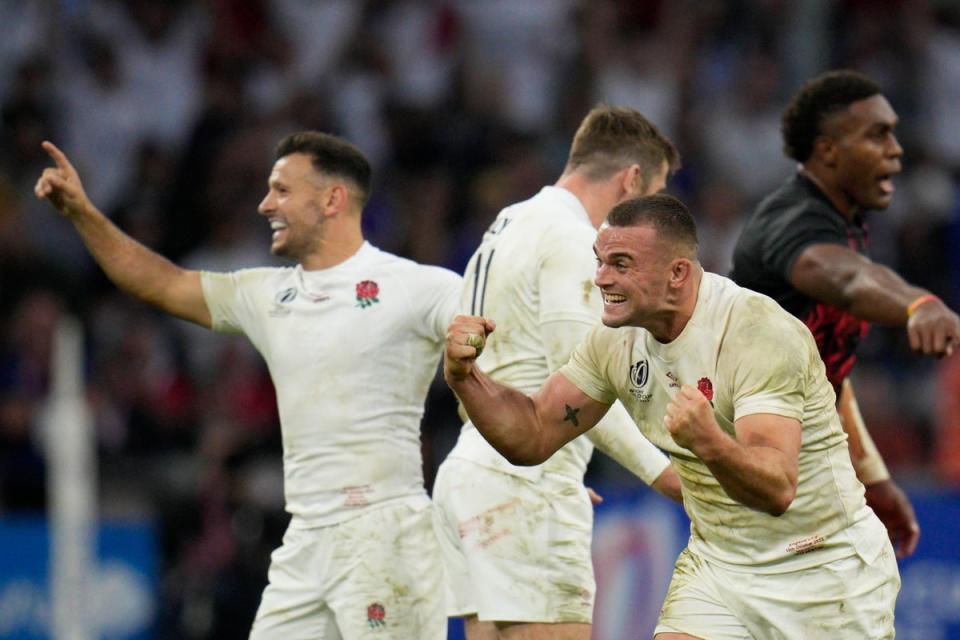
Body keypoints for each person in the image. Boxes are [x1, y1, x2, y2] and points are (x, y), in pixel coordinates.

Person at [34, 132, 460, 639]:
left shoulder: (421, 288)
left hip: (386, 534)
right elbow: (161, 283)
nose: (265, 205)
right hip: (304, 544)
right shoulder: (268, 294)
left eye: (281, 190)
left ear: (332, 199)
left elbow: (516, 359)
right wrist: (83, 213)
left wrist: (553, 470)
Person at [444, 193, 900, 639]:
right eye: (599, 261)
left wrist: (710, 443)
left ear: (677, 273)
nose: (600, 279)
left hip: (823, 569)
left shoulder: (758, 331)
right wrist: (466, 377)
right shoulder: (612, 340)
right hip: (720, 571)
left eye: (620, 264)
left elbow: (778, 487)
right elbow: (533, 433)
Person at [432, 106, 682, 640]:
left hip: (474, 472)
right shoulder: (571, 238)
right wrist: (665, 474)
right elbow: (588, 382)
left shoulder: (507, 224)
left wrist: (562, 464)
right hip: (522, 483)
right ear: (631, 180)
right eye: (653, 198)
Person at [731, 69, 960, 559]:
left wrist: (872, 476)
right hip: (760, 475)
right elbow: (845, 278)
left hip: (791, 471)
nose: (896, 149)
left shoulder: (842, 224)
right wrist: (918, 304)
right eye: (877, 134)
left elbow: (832, 378)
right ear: (828, 151)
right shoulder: (793, 221)